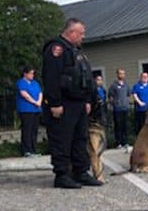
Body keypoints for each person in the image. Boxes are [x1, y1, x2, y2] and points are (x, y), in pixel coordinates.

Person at [42, 18, 102, 189]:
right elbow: (51, 77)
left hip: (79, 103)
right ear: (72, 32)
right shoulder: (57, 49)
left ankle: (81, 171)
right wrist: (54, 103)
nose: (83, 36)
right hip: (63, 103)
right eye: (81, 33)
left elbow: (85, 78)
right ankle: (61, 175)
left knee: (79, 139)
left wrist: (88, 101)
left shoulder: (76, 52)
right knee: (62, 139)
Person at [16, 67, 43, 157]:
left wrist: (39, 101)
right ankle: (26, 150)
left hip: (36, 109)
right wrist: (34, 102)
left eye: (33, 73)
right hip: (26, 109)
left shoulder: (35, 83)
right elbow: (24, 94)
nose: (32, 75)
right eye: (30, 73)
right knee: (27, 129)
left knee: (34, 130)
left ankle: (33, 149)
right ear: (25, 74)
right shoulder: (21, 83)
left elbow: (40, 93)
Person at [107, 69, 130, 149]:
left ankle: (125, 142)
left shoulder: (126, 84)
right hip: (117, 108)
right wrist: (114, 103)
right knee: (118, 126)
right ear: (117, 74)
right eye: (120, 74)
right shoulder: (113, 85)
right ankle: (118, 143)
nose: (122, 75)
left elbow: (128, 94)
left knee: (125, 126)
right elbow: (110, 96)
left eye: (123, 74)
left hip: (125, 108)